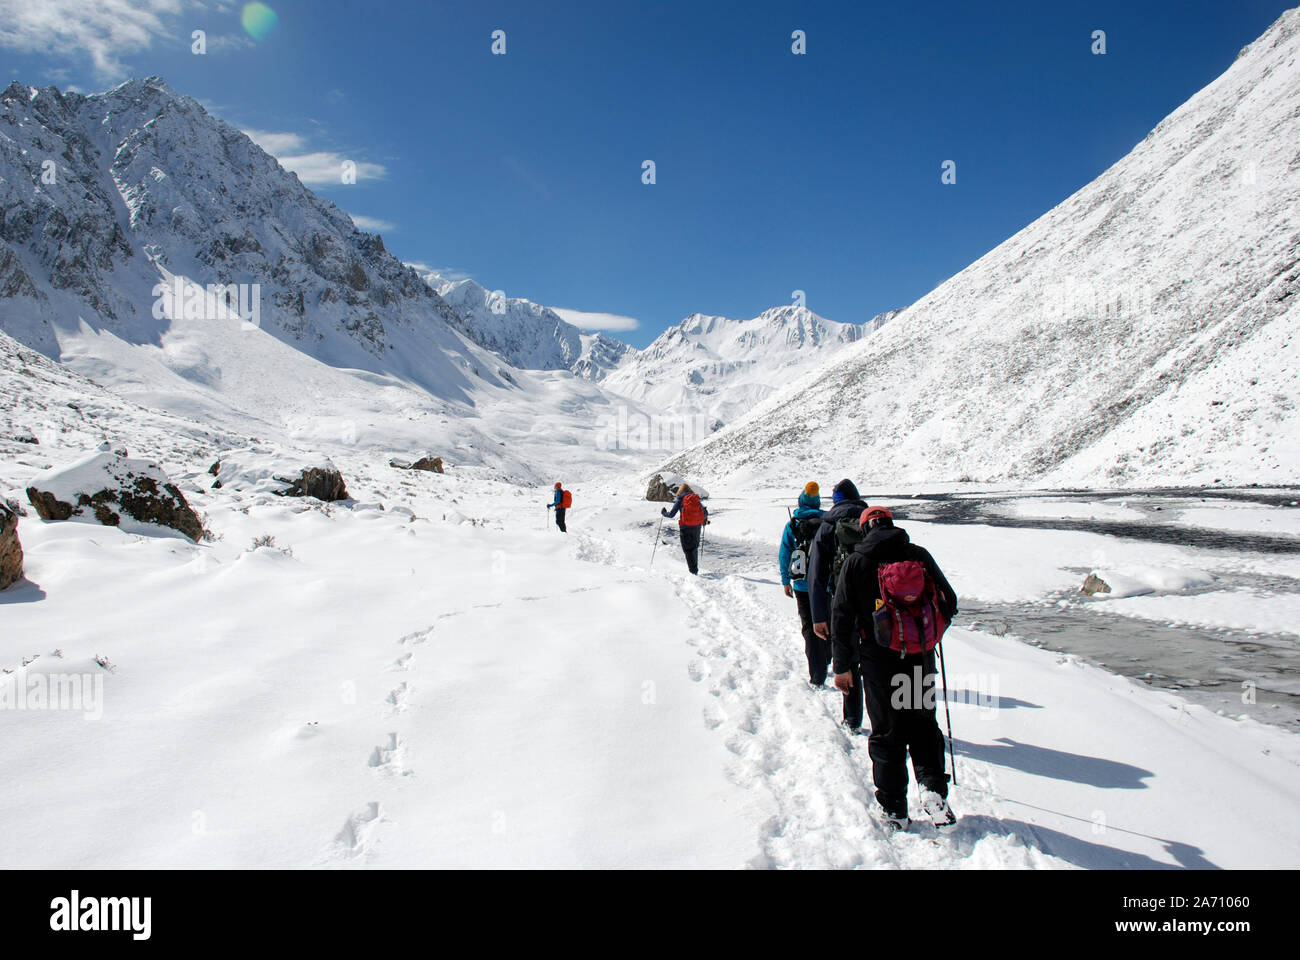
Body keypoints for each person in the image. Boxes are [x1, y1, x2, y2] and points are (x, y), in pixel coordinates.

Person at [831, 506, 959, 830]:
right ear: (891, 523)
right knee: (922, 725)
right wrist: (929, 632)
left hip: (877, 662)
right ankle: (932, 788)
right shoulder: (918, 554)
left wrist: (842, 666)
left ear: (864, 530)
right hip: (919, 656)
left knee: (887, 733)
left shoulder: (855, 562)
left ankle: (894, 810)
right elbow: (950, 601)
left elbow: (842, 618)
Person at [806, 479, 869, 729]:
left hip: (840, 604)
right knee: (876, 658)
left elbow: (817, 574)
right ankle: (887, 719)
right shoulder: (871, 521)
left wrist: (818, 616)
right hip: (875, 604)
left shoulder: (828, 526)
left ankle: (853, 719)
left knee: (849, 659)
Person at [778, 482, 828, 686]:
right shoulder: (827, 522)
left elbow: (785, 553)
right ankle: (828, 657)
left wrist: (785, 580)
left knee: (809, 626)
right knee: (828, 621)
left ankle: (817, 674)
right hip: (825, 584)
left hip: (801, 585)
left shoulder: (793, 524)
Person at [662, 483, 708, 575]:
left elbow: (671, 514)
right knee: (694, 548)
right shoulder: (696, 499)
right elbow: (705, 513)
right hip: (697, 527)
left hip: (685, 527)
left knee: (687, 550)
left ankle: (693, 572)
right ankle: (695, 570)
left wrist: (664, 513)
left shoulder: (680, 499)